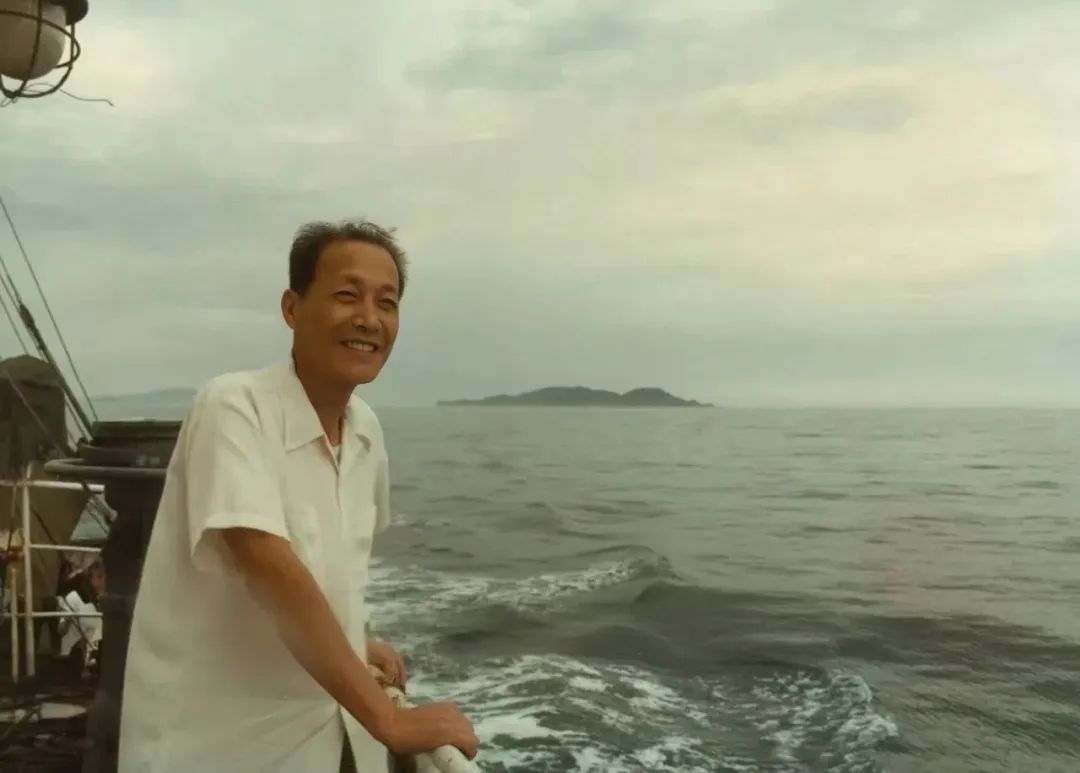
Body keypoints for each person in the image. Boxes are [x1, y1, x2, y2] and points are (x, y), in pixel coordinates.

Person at [117, 220, 478, 772]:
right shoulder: (234, 406)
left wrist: (354, 642)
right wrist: (390, 719)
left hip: (325, 737)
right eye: (346, 295)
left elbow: (336, 568)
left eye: (387, 303)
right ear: (292, 307)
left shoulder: (366, 432)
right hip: (216, 748)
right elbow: (265, 562)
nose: (369, 318)